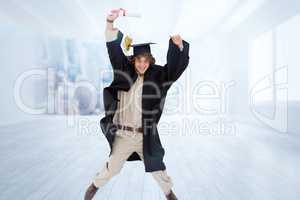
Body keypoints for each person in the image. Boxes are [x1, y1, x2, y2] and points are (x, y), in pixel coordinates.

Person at [84, 9, 189, 200]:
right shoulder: (123, 71)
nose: (142, 64)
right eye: (138, 61)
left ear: (150, 61)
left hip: (145, 135)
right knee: (112, 168)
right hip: (123, 135)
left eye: (145, 61)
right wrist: (109, 22)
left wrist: (178, 46)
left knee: (158, 167)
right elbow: (114, 50)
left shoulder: (158, 77)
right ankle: (93, 187)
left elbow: (174, 70)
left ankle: (169, 194)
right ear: (133, 60)